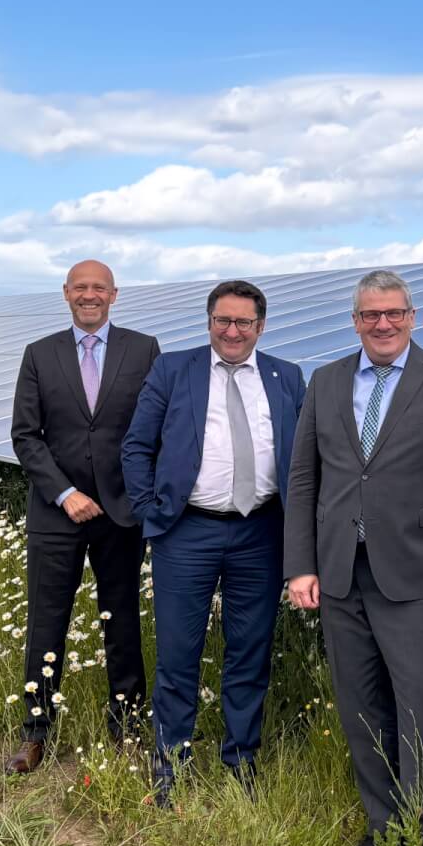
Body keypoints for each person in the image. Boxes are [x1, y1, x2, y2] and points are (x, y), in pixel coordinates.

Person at [285, 268, 423, 846]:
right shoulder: (326, 381)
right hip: (339, 571)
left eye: (394, 313)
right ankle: (384, 829)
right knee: (359, 707)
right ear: (355, 321)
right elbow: (304, 478)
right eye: (370, 314)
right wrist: (301, 565)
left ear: (411, 317)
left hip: (418, 574)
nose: (383, 323)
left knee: (420, 709)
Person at [121, 280, 306, 806]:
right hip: (187, 531)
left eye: (243, 322)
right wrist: (151, 512)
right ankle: (170, 765)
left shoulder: (287, 377)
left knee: (250, 653)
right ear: (209, 322)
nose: (232, 331)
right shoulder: (173, 370)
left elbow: (306, 456)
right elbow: (136, 447)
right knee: (178, 653)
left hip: (261, 532)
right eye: (223, 320)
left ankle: (241, 763)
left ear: (260, 326)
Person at [5, 260, 160, 774]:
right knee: (46, 620)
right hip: (56, 514)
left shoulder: (144, 349)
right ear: (66, 293)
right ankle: (35, 731)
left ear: (114, 294)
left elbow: (154, 426)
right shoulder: (39, 353)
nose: (89, 295)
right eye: (80, 287)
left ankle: (127, 727)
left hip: (121, 512)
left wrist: (144, 495)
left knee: (123, 621)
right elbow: (26, 435)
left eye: (99, 288)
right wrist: (65, 492)